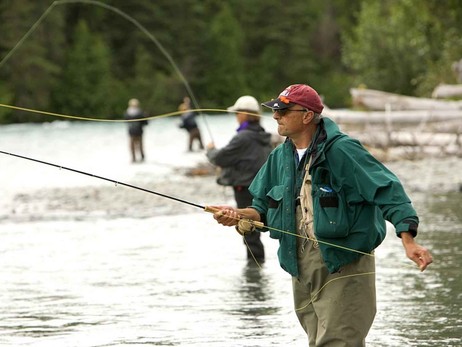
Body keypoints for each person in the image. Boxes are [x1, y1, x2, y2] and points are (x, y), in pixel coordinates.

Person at [209, 84, 433, 346]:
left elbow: (388, 191)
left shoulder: (344, 150)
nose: (275, 116)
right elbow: (260, 209)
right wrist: (236, 215)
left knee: (339, 342)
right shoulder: (279, 157)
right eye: (275, 110)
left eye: (282, 110)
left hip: (344, 263)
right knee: (317, 341)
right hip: (299, 265)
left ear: (306, 115)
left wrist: (408, 240)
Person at [206, 96, 272, 262]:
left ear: (244, 114)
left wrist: (210, 150)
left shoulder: (243, 137)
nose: (236, 117)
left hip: (244, 188)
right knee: (254, 230)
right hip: (261, 188)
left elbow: (220, 158)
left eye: (237, 113)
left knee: (247, 230)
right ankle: (257, 271)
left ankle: (253, 270)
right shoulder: (262, 135)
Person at [124, 98, 148, 163]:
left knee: (139, 146)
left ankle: (142, 158)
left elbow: (145, 123)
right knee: (132, 146)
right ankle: (134, 159)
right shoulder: (128, 113)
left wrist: (145, 117)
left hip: (138, 132)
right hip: (132, 132)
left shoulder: (140, 113)